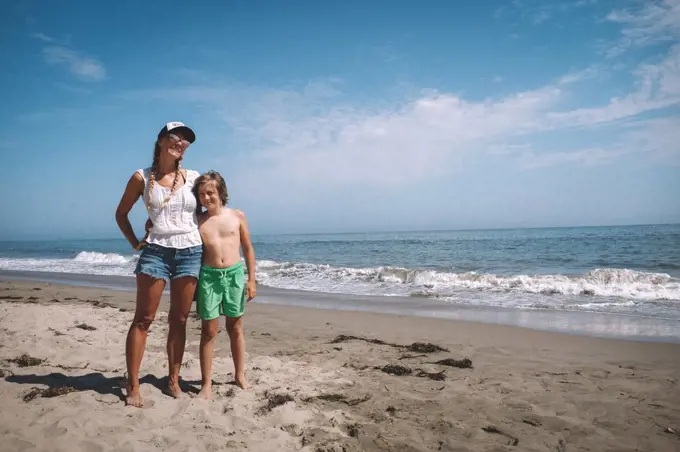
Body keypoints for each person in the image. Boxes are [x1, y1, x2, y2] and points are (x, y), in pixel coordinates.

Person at [115, 121, 203, 408]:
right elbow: (121, 213)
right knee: (144, 319)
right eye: (177, 138)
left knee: (179, 319)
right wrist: (134, 242)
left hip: (190, 251)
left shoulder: (193, 177)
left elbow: (206, 211)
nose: (182, 144)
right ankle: (132, 384)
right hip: (155, 252)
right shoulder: (141, 177)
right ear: (163, 140)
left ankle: (173, 379)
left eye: (187, 141)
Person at [192, 170, 256, 399]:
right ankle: (206, 383)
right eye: (201, 194)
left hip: (235, 275)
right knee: (209, 331)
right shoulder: (197, 220)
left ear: (221, 192)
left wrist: (251, 279)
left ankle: (240, 375)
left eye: (210, 193)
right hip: (208, 276)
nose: (206, 198)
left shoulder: (237, 216)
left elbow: (248, 248)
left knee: (235, 328)